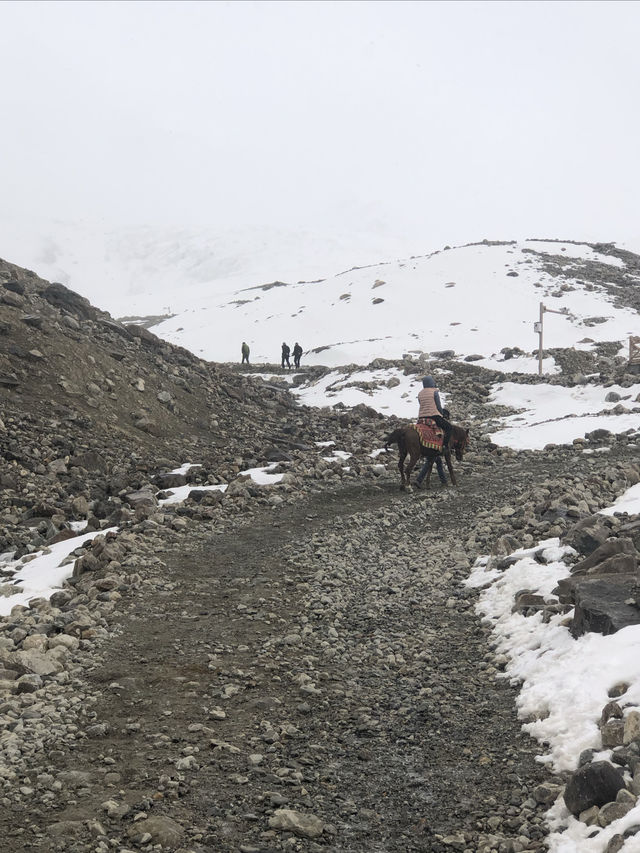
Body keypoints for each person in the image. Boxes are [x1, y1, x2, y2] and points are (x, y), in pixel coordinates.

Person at [417, 376, 452, 448]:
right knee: (449, 427)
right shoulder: (434, 392)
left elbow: (421, 404)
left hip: (421, 417)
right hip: (433, 416)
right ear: (432, 382)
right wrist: (441, 414)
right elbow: (438, 406)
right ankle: (444, 446)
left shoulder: (420, 393)